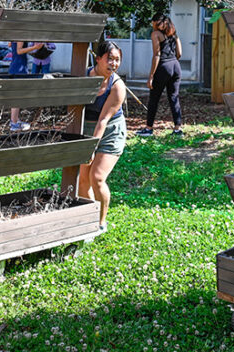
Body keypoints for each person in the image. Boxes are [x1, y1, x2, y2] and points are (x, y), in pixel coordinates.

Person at [77, 41, 127, 232]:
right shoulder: (84, 77)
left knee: (97, 177)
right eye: (110, 59)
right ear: (98, 59)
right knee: (83, 179)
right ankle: (87, 219)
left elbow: (103, 120)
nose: (113, 64)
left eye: (117, 60)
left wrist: (91, 147)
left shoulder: (117, 86)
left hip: (110, 132)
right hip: (86, 130)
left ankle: (100, 223)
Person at [137, 14, 183, 137]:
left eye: (154, 24)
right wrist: (172, 60)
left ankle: (148, 128)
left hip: (164, 66)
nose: (153, 27)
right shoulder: (174, 33)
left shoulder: (156, 34)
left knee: (154, 98)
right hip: (175, 66)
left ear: (160, 23)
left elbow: (157, 55)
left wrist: (151, 76)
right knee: (174, 97)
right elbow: (180, 53)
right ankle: (178, 130)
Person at [8, 41, 32, 131]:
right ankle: (13, 123)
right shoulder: (21, 34)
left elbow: (10, 44)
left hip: (14, 67)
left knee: (16, 96)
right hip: (19, 68)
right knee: (17, 97)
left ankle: (15, 120)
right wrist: (35, 48)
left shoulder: (14, 34)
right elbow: (19, 51)